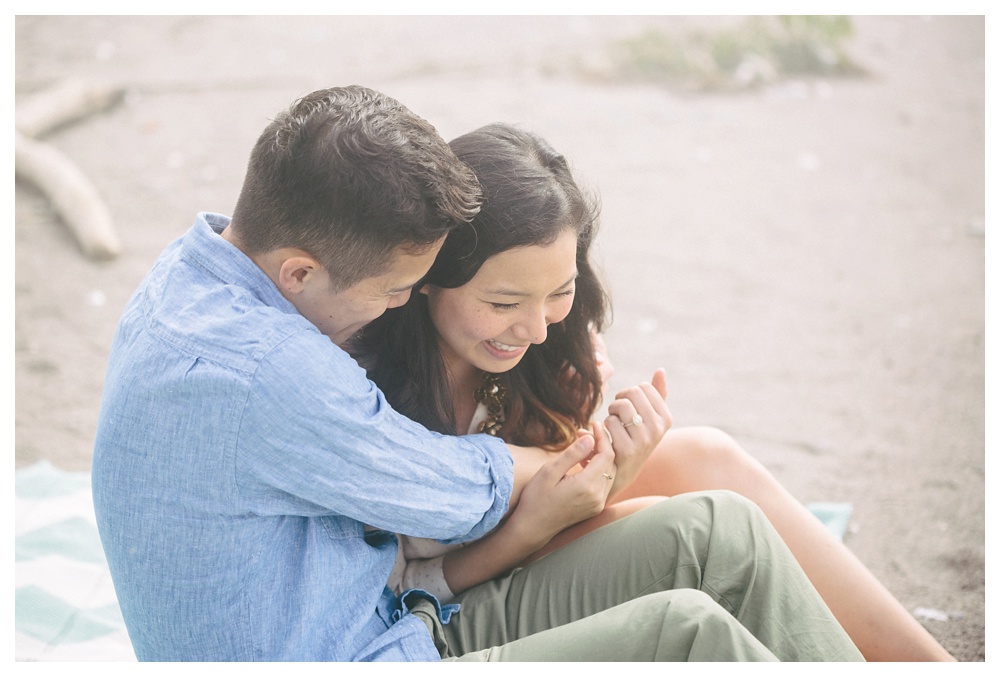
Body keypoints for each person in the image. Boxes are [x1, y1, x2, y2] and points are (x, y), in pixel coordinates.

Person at [91, 86, 863, 661]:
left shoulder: (198, 269)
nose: (398, 306)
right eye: (394, 291)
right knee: (690, 634)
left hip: (394, 616)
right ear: (299, 272)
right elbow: (455, 495)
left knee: (720, 530)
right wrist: (566, 465)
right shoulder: (272, 372)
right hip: (363, 653)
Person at [350, 122, 954, 661]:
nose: (535, 329)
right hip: (444, 596)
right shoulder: (363, 389)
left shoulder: (546, 340)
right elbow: (396, 588)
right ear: (426, 276)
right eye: (504, 303)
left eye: (558, 291)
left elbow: (559, 440)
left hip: (523, 529)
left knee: (706, 457)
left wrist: (595, 446)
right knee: (687, 529)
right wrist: (542, 513)